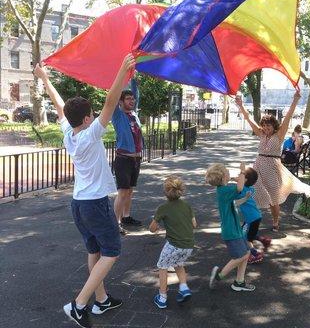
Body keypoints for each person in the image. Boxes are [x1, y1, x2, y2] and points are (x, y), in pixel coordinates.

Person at [34, 54, 136, 328]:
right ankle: (79, 305)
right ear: (88, 118)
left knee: (95, 251)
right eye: (93, 115)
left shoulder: (70, 131)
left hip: (79, 205)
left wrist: (44, 79)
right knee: (112, 252)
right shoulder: (90, 134)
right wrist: (121, 70)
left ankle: (101, 300)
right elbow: (111, 101)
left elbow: (58, 104)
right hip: (94, 204)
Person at [236, 92, 310, 232]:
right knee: (251, 193)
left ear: (274, 126)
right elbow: (248, 119)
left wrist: (295, 100)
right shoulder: (261, 134)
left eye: (269, 126)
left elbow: (288, 116)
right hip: (258, 167)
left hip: (272, 168)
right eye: (264, 126)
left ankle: (276, 221)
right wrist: (241, 105)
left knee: (273, 199)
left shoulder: (279, 135)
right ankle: (249, 220)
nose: (266, 128)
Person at [206, 162, 255, 292]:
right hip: (231, 231)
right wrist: (243, 171)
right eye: (227, 172)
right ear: (223, 177)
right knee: (241, 256)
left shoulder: (224, 190)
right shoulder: (224, 190)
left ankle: (239, 282)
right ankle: (220, 275)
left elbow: (235, 203)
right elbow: (239, 187)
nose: (229, 173)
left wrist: (245, 198)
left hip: (235, 229)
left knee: (247, 252)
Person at [149, 176, 196, 309]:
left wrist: (157, 228)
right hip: (188, 245)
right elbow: (194, 224)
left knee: (162, 266)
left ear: (165, 192)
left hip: (174, 244)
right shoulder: (187, 206)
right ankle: (184, 287)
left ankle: (162, 297)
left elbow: (152, 228)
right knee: (178, 264)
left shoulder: (163, 208)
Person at [112, 79, 144, 234]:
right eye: (128, 98)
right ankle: (115, 223)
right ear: (121, 101)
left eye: (133, 98)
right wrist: (122, 76)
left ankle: (126, 216)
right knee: (123, 191)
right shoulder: (118, 115)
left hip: (136, 159)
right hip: (123, 159)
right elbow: (113, 95)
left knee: (130, 190)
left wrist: (134, 78)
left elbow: (135, 91)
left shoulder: (134, 116)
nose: (132, 100)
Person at [235, 167, 271, 264]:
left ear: (245, 180)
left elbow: (238, 188)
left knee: (245, 238)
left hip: (251, 219)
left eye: (241, 175)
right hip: (255, 216)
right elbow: (242, 184)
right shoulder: (250, 189)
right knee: (248, 234)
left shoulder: (242, 191)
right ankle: (263, 240)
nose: (238, 175)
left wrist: (235, 180)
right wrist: (239, 178)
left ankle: (255, 254)